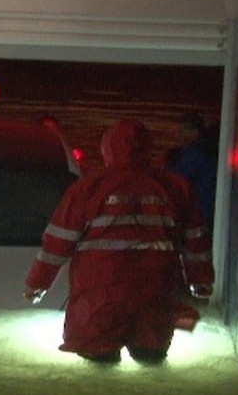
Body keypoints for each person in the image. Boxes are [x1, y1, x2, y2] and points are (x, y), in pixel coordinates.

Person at [23, 118, 215, 364]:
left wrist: (37, 284)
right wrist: (201, 282)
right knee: (150, 362)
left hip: (98, 302)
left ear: (107, 149)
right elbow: (196, 242)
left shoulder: (88, 187)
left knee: (98, 370)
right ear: (148, 149)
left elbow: (57, 244)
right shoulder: (175, 187)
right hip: (154, 299)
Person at [166, 112, 218, 231]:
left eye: (182, 131)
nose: (178, 135)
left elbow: (174, 179)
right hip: (205, 213)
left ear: (195, 132)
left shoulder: (196, 155)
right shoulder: (204, 152)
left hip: (199, 215)